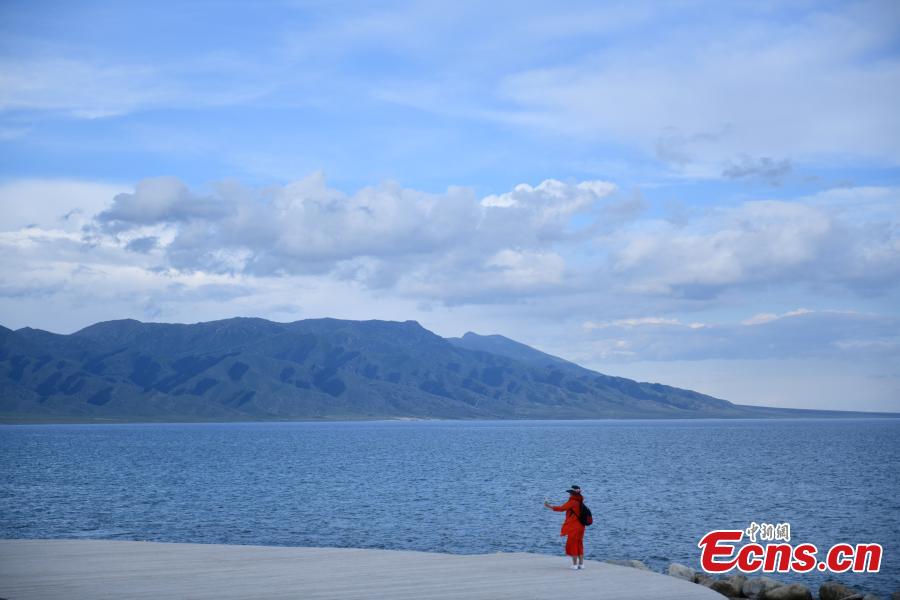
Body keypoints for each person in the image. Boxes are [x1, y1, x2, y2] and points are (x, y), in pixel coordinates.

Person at [544, 485, 585, 569]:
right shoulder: (580, 501)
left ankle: (575, 565)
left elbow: (561, 508)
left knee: (573, 544)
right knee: (579, 544)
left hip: (574, 527)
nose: (569, 495)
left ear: (573, 494)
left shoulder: (573, 501)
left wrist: (549, 506)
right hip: (581, 526)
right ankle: (581, 564)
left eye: (570, 493)